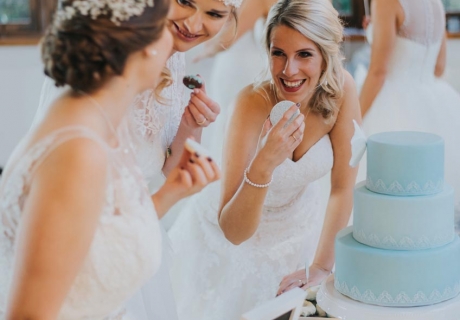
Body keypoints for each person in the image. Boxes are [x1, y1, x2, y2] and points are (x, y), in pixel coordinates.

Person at [0, 0, 220, 318]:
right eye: (165, 30)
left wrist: (169, 194)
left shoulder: (96, 118)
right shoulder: (78, 150)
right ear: (142, 45)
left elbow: (98, 238)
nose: (176, 42)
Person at [168, 0, 361, 319]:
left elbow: (342, 186)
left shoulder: (342, 89)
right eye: (278, 53)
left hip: (300, 232)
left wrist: (321, 265)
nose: (289, 71)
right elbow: (234, 232)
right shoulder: (250, 103)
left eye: (304, 54)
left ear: (326, 55)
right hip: (229, 240)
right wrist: (265, 163)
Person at [359, 0, 460, 214]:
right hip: (434, 99)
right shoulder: (436, 4)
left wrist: (354, 119)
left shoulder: (386, 2)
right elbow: (439, 67)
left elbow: (378, 72)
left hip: (391, 103)